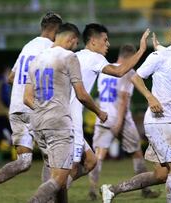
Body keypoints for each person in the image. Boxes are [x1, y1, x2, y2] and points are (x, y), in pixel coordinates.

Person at [101, 17, 171, 203]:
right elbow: (136, 77)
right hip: (157, 120)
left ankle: (112, 190)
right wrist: (150, 96)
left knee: (162, 174)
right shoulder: (160, 56)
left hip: (170, 122)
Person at [0, 12, 62, 202]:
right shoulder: (50, 48)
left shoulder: (28, 46)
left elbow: (11, 78)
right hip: (34, 107)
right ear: (56, 30)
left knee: (23, 162)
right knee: (53, 160)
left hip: (16, 108)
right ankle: (44, 200)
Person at [23, 22, 107, 203]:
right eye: (75, 44)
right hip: (59, 122)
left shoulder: (37, 59)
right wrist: (99, 112)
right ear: (71, 39)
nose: (75, 48)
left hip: (38, 123)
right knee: (60, 178)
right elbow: (82, 95)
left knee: (65, 170)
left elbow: (27, 98)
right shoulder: (69, 57)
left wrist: (44, 112)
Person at [63, 23, 150, 189]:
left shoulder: (75, 56)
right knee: (72, 166)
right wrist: (141, 50)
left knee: (91, 161)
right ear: (93, 41)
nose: (108, 44)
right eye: (105, 40)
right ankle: (50, 195)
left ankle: (59, 190)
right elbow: (120, 72)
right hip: (71, 119)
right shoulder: (95, 58)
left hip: (60, 114)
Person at [88, 44, 160, 200]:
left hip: (103, 115)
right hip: (120, 118)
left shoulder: (104, 69)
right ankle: (145, 190)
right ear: (130, 56)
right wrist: (119, 122)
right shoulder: (128, 71)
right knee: (137, 153)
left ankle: (92, 190)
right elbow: (123, 98)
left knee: (99, 155)